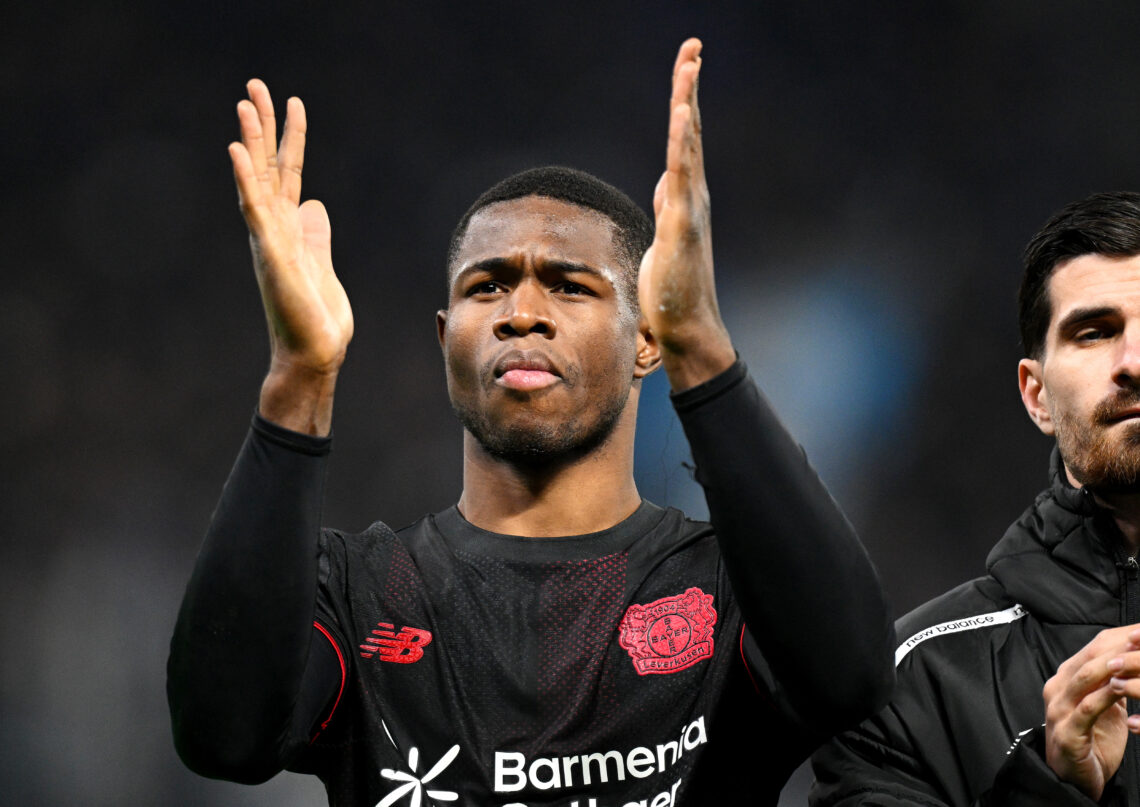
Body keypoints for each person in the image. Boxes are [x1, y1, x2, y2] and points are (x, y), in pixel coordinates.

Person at [168, 39, 894, 806]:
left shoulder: (727, 590)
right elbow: (224, 737)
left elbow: (850, 677)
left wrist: (703, 347)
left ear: (646, 337)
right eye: (487, 286)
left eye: (569, 285)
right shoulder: (359, 595)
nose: (521, 312)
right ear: (445, 335)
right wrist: (299, 378)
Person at [810, 191, 1140, 806]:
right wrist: (1053, 789)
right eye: (1094, 333)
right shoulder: (912, 689)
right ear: (1035, 395)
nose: (1133, 362)